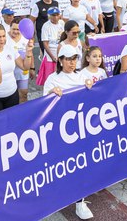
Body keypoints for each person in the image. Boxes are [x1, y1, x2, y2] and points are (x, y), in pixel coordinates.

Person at [43, 43, 96, 219]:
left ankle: (80, 202)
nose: (72, 63)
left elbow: (92, 99)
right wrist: (51, 93)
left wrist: (90, 86)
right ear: (60, 60)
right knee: (63, 163)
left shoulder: (82, 76)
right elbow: (43, 107)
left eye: (74, 59)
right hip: (60, 130)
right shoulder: (52, 79)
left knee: (81, 163)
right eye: (68, 59)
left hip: (80, 128)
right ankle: (60, 193)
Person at [36, 7, 65, 86]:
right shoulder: (46, 26)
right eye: (53, 15)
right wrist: (52, 57)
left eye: (57, 15)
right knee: (50, 78)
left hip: (61, 53)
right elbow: (45, 44)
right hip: (50, 55)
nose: (55, 17)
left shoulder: (62, 23)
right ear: (49, 16)